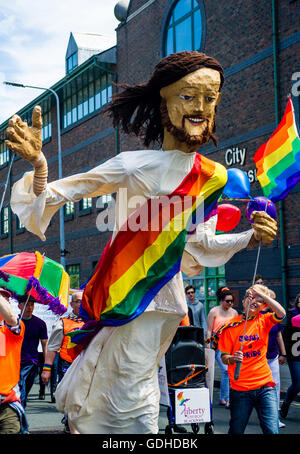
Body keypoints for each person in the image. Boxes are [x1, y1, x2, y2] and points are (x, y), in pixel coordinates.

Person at [6, 51, 278, 434]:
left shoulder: (212, 176)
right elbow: (57, 195)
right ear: (163, 101)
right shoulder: (134, 165)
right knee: (125, 405)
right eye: (189, 96)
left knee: (131, 396)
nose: (201, 108)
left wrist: (251, 236)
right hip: (127, 300)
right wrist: (40, 166)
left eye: (210, 97)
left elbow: (197, 246)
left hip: (167, 305)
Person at [217, 284, 286, 434]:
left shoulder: (265, 320)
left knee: (272, 431)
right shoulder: (230, 326)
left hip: (265, 386)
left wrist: (264, 297)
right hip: (241, 389)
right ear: (244, 301)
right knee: (236, 430)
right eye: (251, 297)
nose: (254, 302)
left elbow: (282, 313)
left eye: (259, 301)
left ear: (264, 306)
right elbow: (224, 358)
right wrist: (233, 358)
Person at [41, 290, 84, 433]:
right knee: (71, 397)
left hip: (89, 366)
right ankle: (70, 423)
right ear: (72, 304)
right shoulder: (63, 322)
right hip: (68, 365)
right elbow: (52, 347)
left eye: (84, 301)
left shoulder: (94, 321)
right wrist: (47, 369)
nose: (81, 304)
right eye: (78, 301)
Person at [0, 285, 26, 434]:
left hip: (7, 404)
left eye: (6, 299)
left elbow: (10, 318)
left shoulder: (14, 329)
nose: (4, 301)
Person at [206, 287, 238, 408]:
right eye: (227, 301)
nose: (230, 303)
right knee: (226, 370)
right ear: (221, 300)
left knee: (230, 371)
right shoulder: (214, 312)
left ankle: (223, 398)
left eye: (231, 301)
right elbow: (209, 330)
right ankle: (227, 398)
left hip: (232, 345)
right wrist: (208, 346)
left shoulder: (234, 312)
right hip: (218, 345)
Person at [18, 295, 48, 409]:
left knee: (25, 387)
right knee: (21, 386)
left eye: (32, 304)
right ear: (19, 306)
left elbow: (44, 345)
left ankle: (21, 409)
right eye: (27, 304)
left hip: (32, 362)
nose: (29, 307)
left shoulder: (40, 323)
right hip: (16, 361)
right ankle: (21, 413)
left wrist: (46, 367)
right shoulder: (15, 323)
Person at [264, 289, 286, 429]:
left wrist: (283, 353)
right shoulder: (258, 316)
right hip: (259, 359)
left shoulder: (274, 317)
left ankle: (274, 418)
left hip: (273, 357)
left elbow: (278, 335)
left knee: (275, 387)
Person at [280, 292, 300, 419]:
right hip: (295, 355)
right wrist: (283, 354)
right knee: (298, 383)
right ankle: (286, 404)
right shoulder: (293, 317)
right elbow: (284, 336)